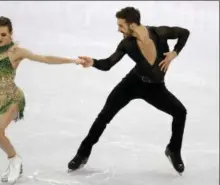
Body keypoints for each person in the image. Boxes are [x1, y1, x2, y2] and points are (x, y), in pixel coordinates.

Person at [68, 7, 190, 175]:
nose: (118, 29)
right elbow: (108, 64)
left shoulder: (159, 32)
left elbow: (185, 32)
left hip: (155, 88)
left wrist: (174, 53)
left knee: (180, 112)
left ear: (132, 25)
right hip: (132, 84)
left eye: (121, 25)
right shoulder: (127, 44)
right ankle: (82, 154)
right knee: (104, 116)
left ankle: (173, 150)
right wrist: (93, 62)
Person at [0, 16, 83, 184]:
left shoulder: (17, 52)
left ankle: (15, 160)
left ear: (11, 33)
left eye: (3, 34)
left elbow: (44, 59)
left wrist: (72, 60)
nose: (0, 38)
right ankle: (13, 161)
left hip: (12, 98)